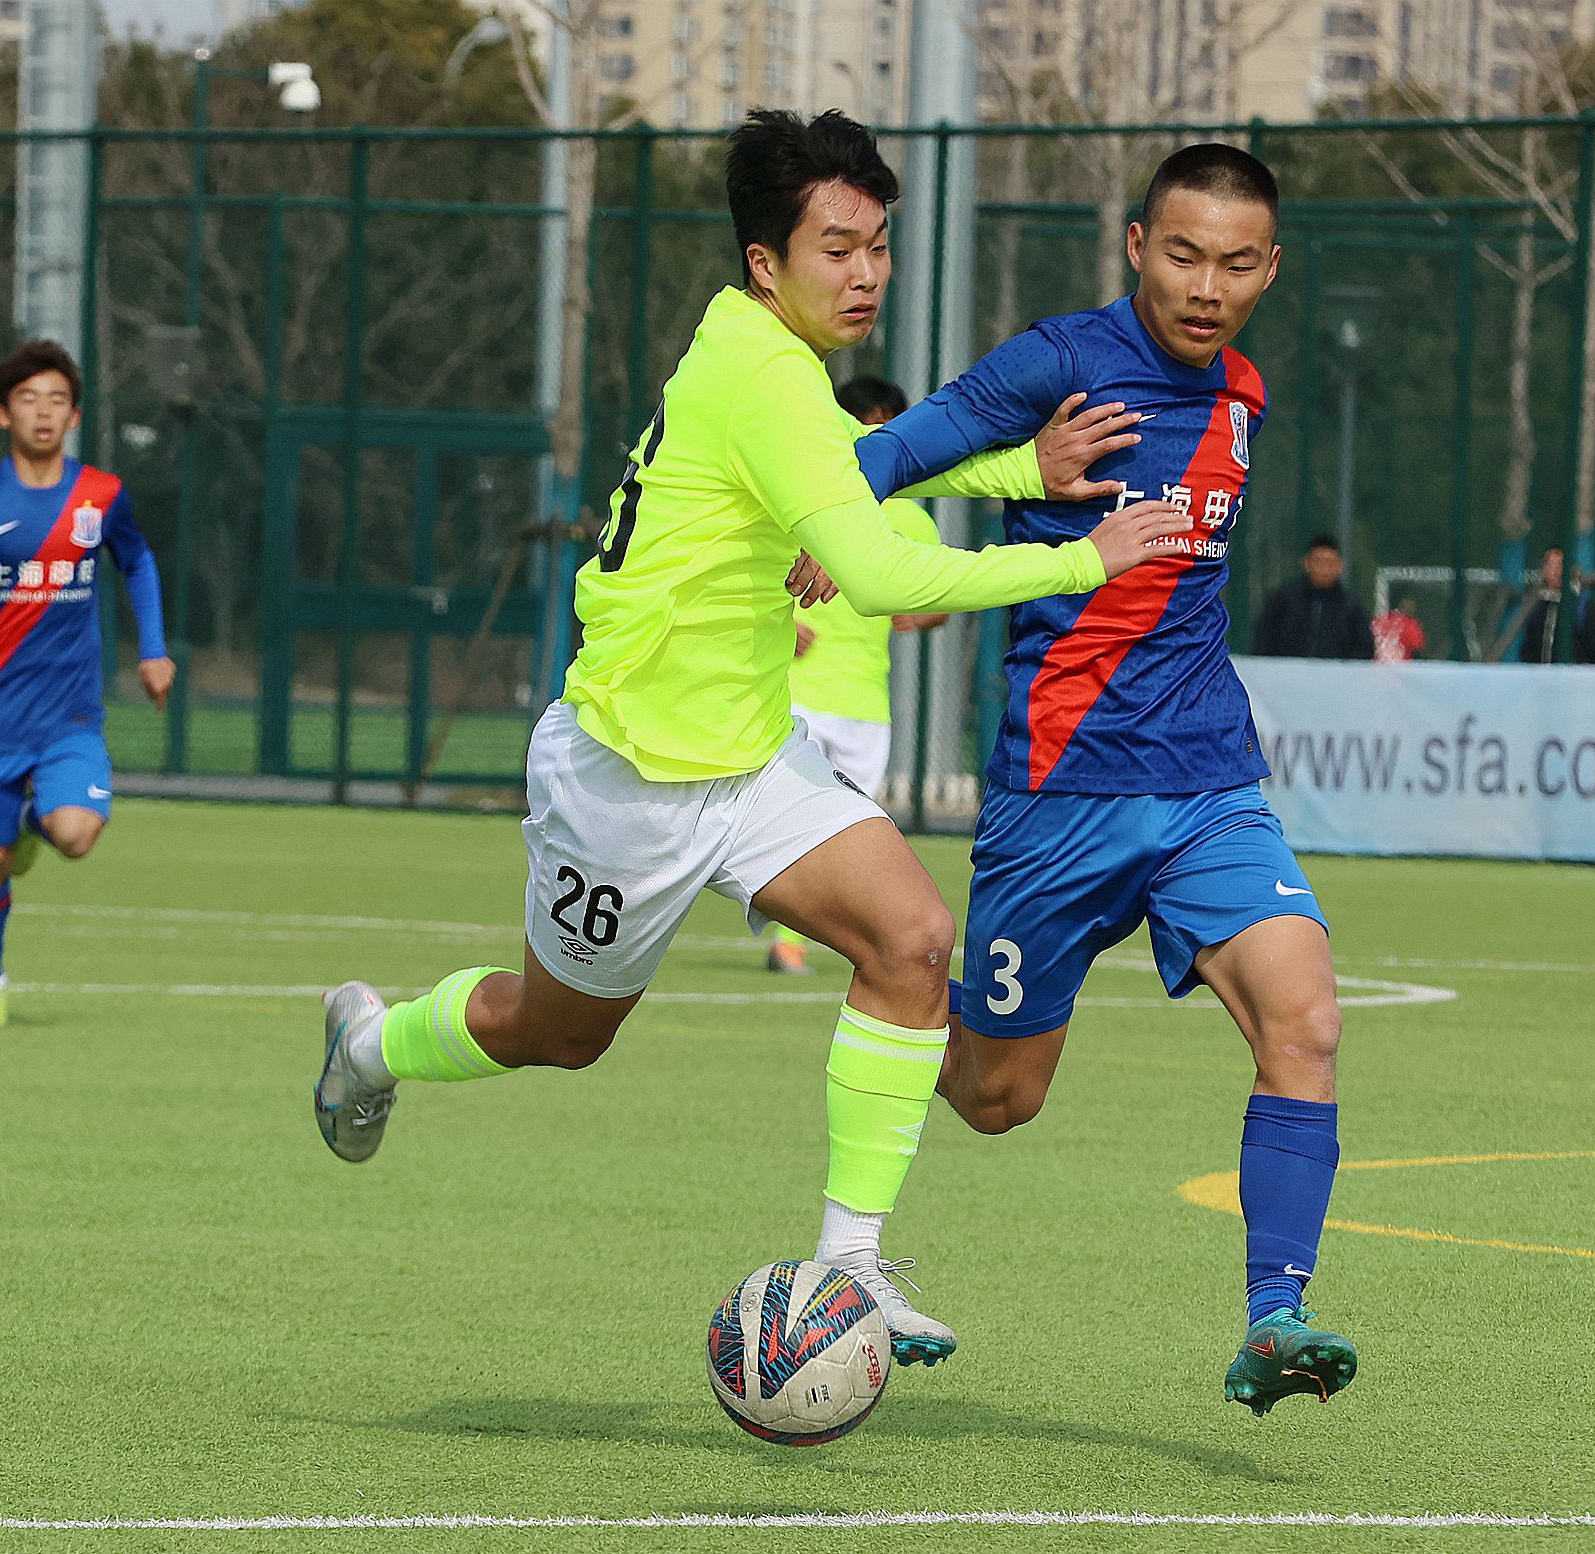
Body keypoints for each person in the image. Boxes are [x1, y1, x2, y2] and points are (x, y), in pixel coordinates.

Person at [308, 109, 1189, 1366]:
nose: (866, 271)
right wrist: (1076, 554)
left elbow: (850, 470)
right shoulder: (762, 372)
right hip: (627, 774)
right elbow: (878, 571)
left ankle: (847, 1262)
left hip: (752, 757)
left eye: (877, 244)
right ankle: (367, 1040)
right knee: (557, 1034)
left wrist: (1013, 472)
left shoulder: (760, 353)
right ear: (764, 261)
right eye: (837, 247)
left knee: (910, 935)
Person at [852, 143, 1358, 1417]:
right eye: (1181, 254)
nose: (1206, 285)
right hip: (1056, 793)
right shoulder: (1054, 363)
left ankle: (1273, 1314)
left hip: (1205, 778)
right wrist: (828, 539)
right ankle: (900, 1017)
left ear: (1269, 270)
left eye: (1236, 263)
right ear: (1136, 245)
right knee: (996, 1100)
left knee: (1303, 1016)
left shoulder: (1242, 391)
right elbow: (886, 456)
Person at [0, 342, 175, 1029]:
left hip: (69, 716)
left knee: (78, 834)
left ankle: (34, 819)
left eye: (57, 399)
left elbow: (137, 561)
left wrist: (155, 649)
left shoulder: (101, 494)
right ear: (3, 413)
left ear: (75, 413)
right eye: (28, 399)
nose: (43, 411)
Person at [763, 374, 949, 976]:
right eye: (859, 425)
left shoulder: (912, 519)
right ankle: (787, 943)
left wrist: (917, 614)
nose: (870, 437)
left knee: (845, 831)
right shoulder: (804, 501)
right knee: (788, 823)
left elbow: (939, 595)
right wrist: (778, 623)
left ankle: (816, 933)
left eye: (883, 426)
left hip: (868, 704)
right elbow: (756, 568)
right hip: (800, 692)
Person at [1252, 534, 1373, 659]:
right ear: (1307, 563)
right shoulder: (1284, 600)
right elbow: (1263, 640)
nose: (1325, 569)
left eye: (1330, 563)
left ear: (1340, 566)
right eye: (1319, 562)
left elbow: (1363, 649)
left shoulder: (1352, 608)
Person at [1516, 547, 1595, 665]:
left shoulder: (1585, 611)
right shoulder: (1539, 608)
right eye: (1549, 565)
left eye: (1559, 565)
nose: (1555, 571)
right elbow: (1529, 651)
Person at [1372, 596, 1426, 662]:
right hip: (1403, 668)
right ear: (1403, 602)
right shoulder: (1409, 624)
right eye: (1411, 602)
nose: (1414, 607)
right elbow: (1417, 644)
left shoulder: (1380, 620)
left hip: (1377, 668)